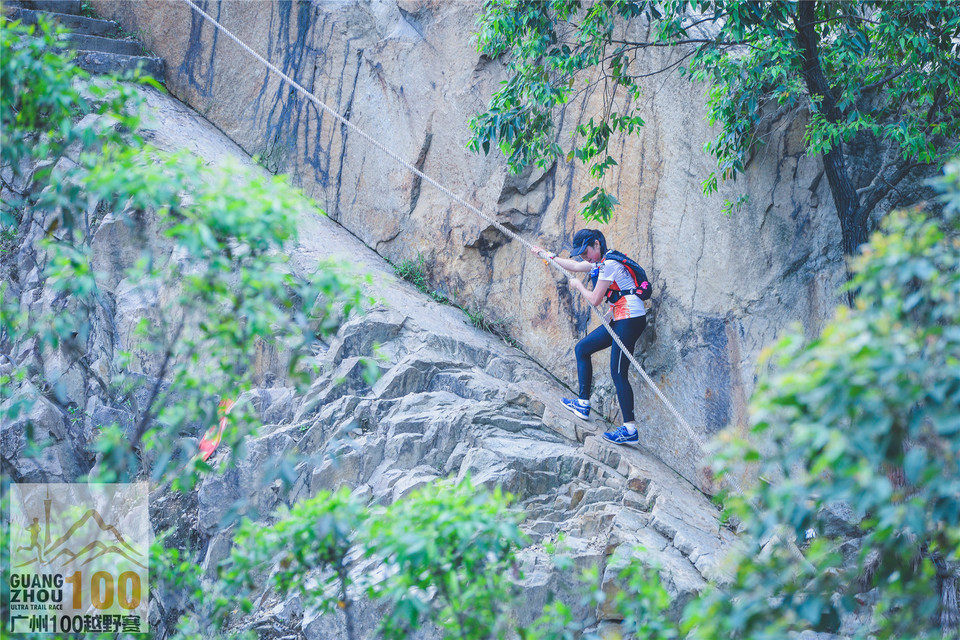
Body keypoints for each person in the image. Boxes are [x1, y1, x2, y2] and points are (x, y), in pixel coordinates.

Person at [531, 229, 647, 445]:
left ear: (596, 244)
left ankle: (630, 429)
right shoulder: (600, 263)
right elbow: (574, 266)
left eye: (586, 252)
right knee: (583, 348)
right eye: (581, 254)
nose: (584, 257)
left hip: (630, 319)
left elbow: (594, 299)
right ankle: (583, 403)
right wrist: (546, 255)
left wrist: (579, 286)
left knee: (618, 371)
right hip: (620, 318)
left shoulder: (609, 264)